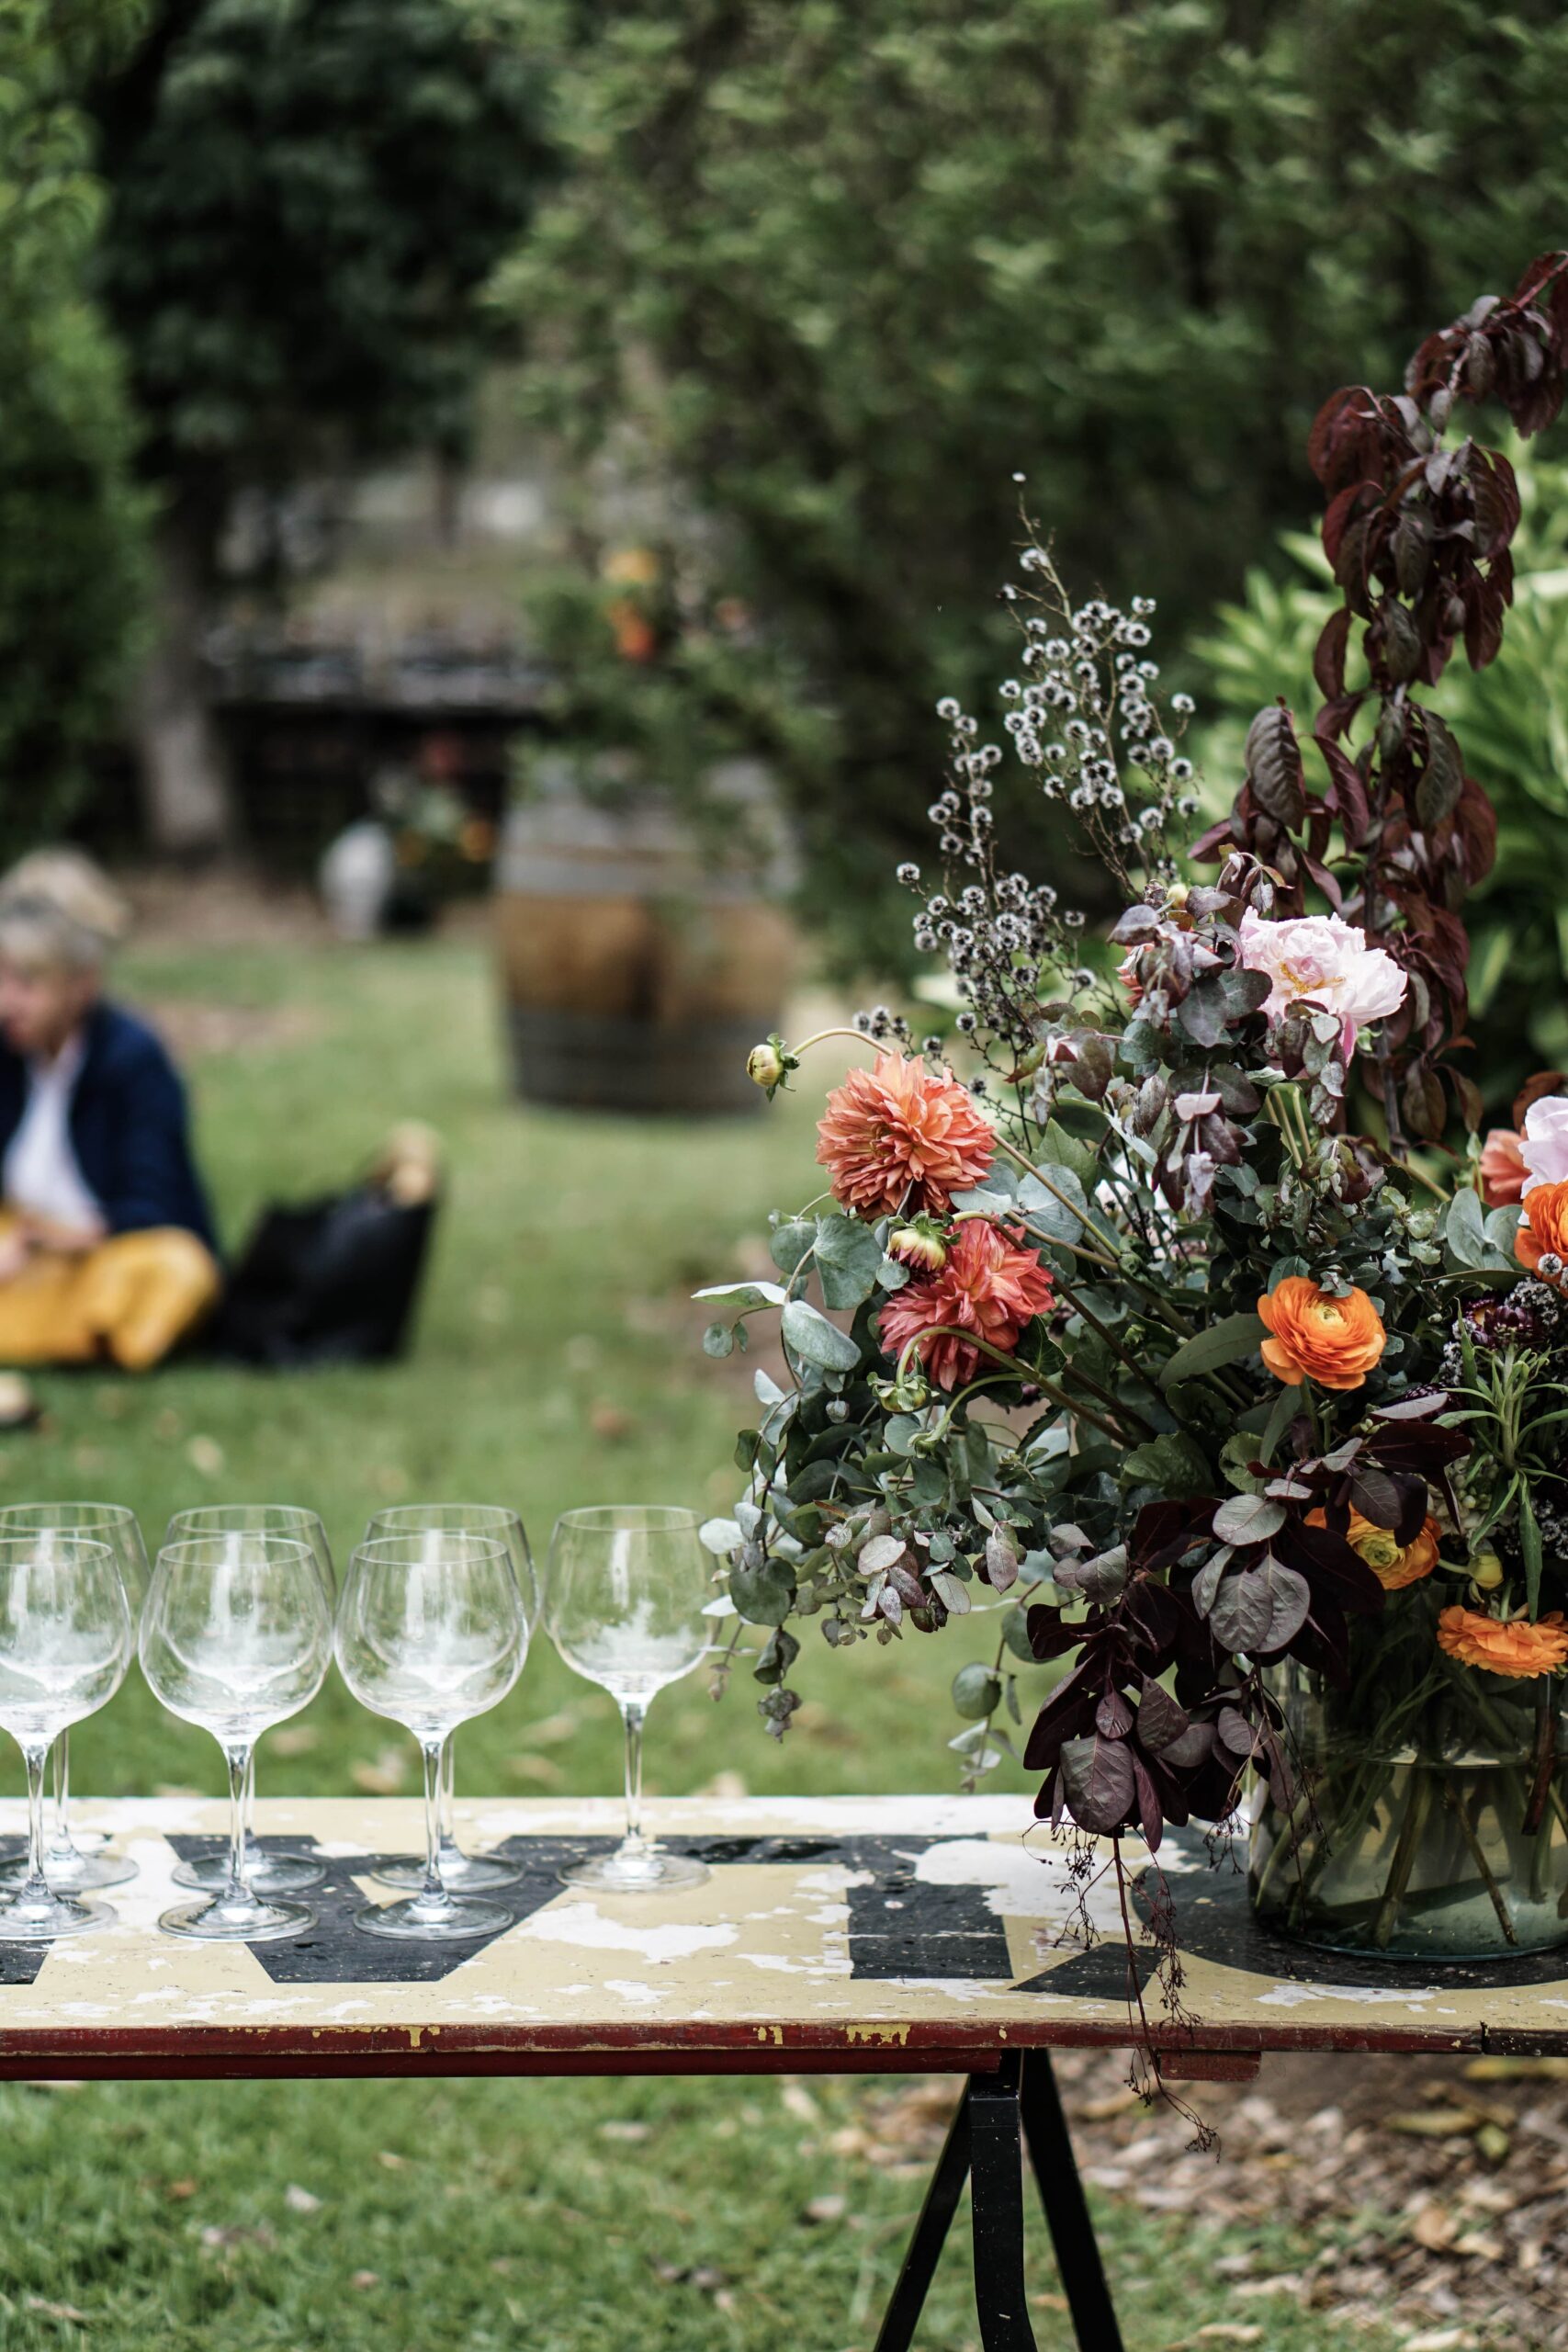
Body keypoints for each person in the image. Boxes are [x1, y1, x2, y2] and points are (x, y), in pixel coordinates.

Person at [0, 851, 220, 1371]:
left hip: (101, 1255)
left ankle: (74, 1333)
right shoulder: (7, 1056)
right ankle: (71, 1338)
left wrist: (52, 1239)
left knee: (176, 1270)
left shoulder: (132, 1059)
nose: (7, 1003)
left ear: (83, 984)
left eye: (27, 986)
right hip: (21, 1251)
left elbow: (154, 1206)